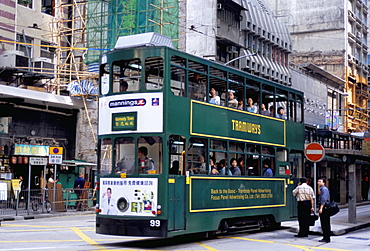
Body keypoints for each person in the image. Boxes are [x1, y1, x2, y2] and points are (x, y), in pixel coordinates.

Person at [318, 178, 331, 243]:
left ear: (324, 183)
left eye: (320, 181)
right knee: (324, 223)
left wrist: (321, 208)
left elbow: (324, 199)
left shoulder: (324, 189)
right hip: (324, 207)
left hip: (325, 208)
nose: (318, 182)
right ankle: (325, 237)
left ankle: (326, 237)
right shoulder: (322, 189)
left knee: (325, 223)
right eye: (318, 181)